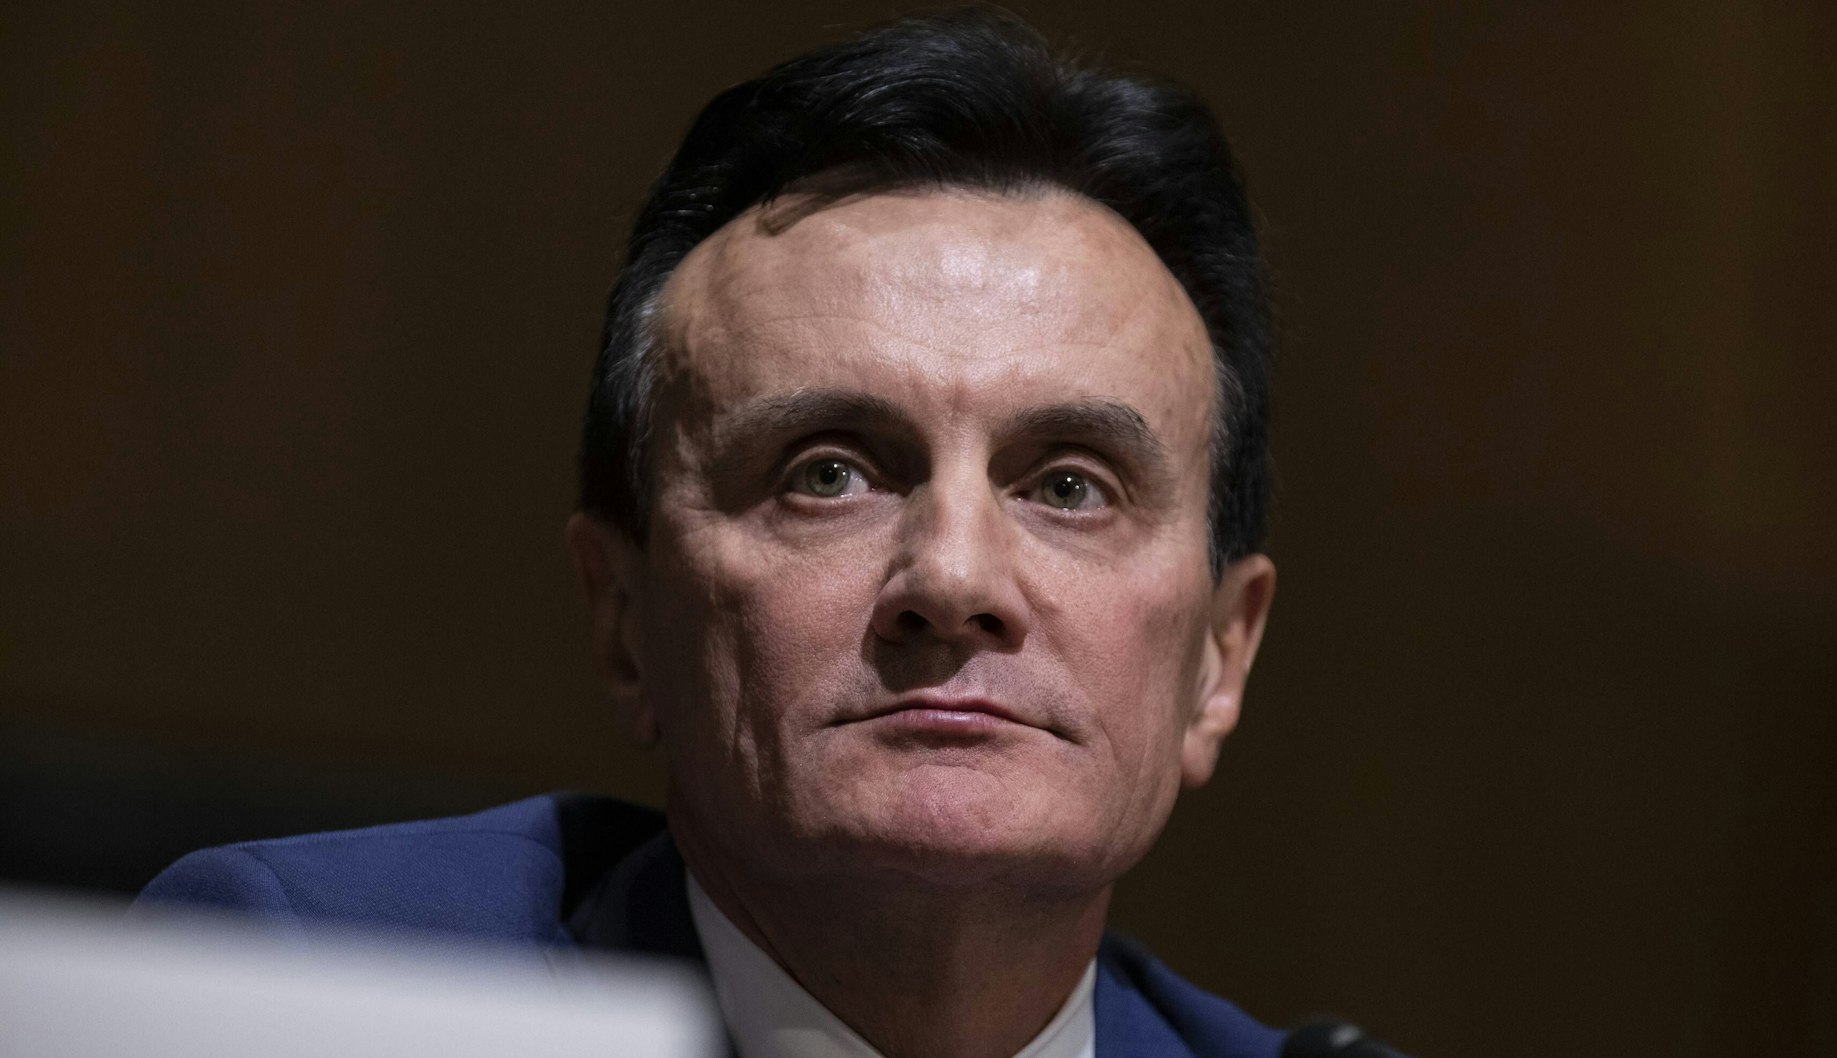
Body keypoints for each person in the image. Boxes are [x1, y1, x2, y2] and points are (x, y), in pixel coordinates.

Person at [138, 11, 1404, 1058]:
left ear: (1220, 657)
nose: (953, 576)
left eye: (1068, 487)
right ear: (623, 617)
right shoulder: (305, 996)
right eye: (829, 473)